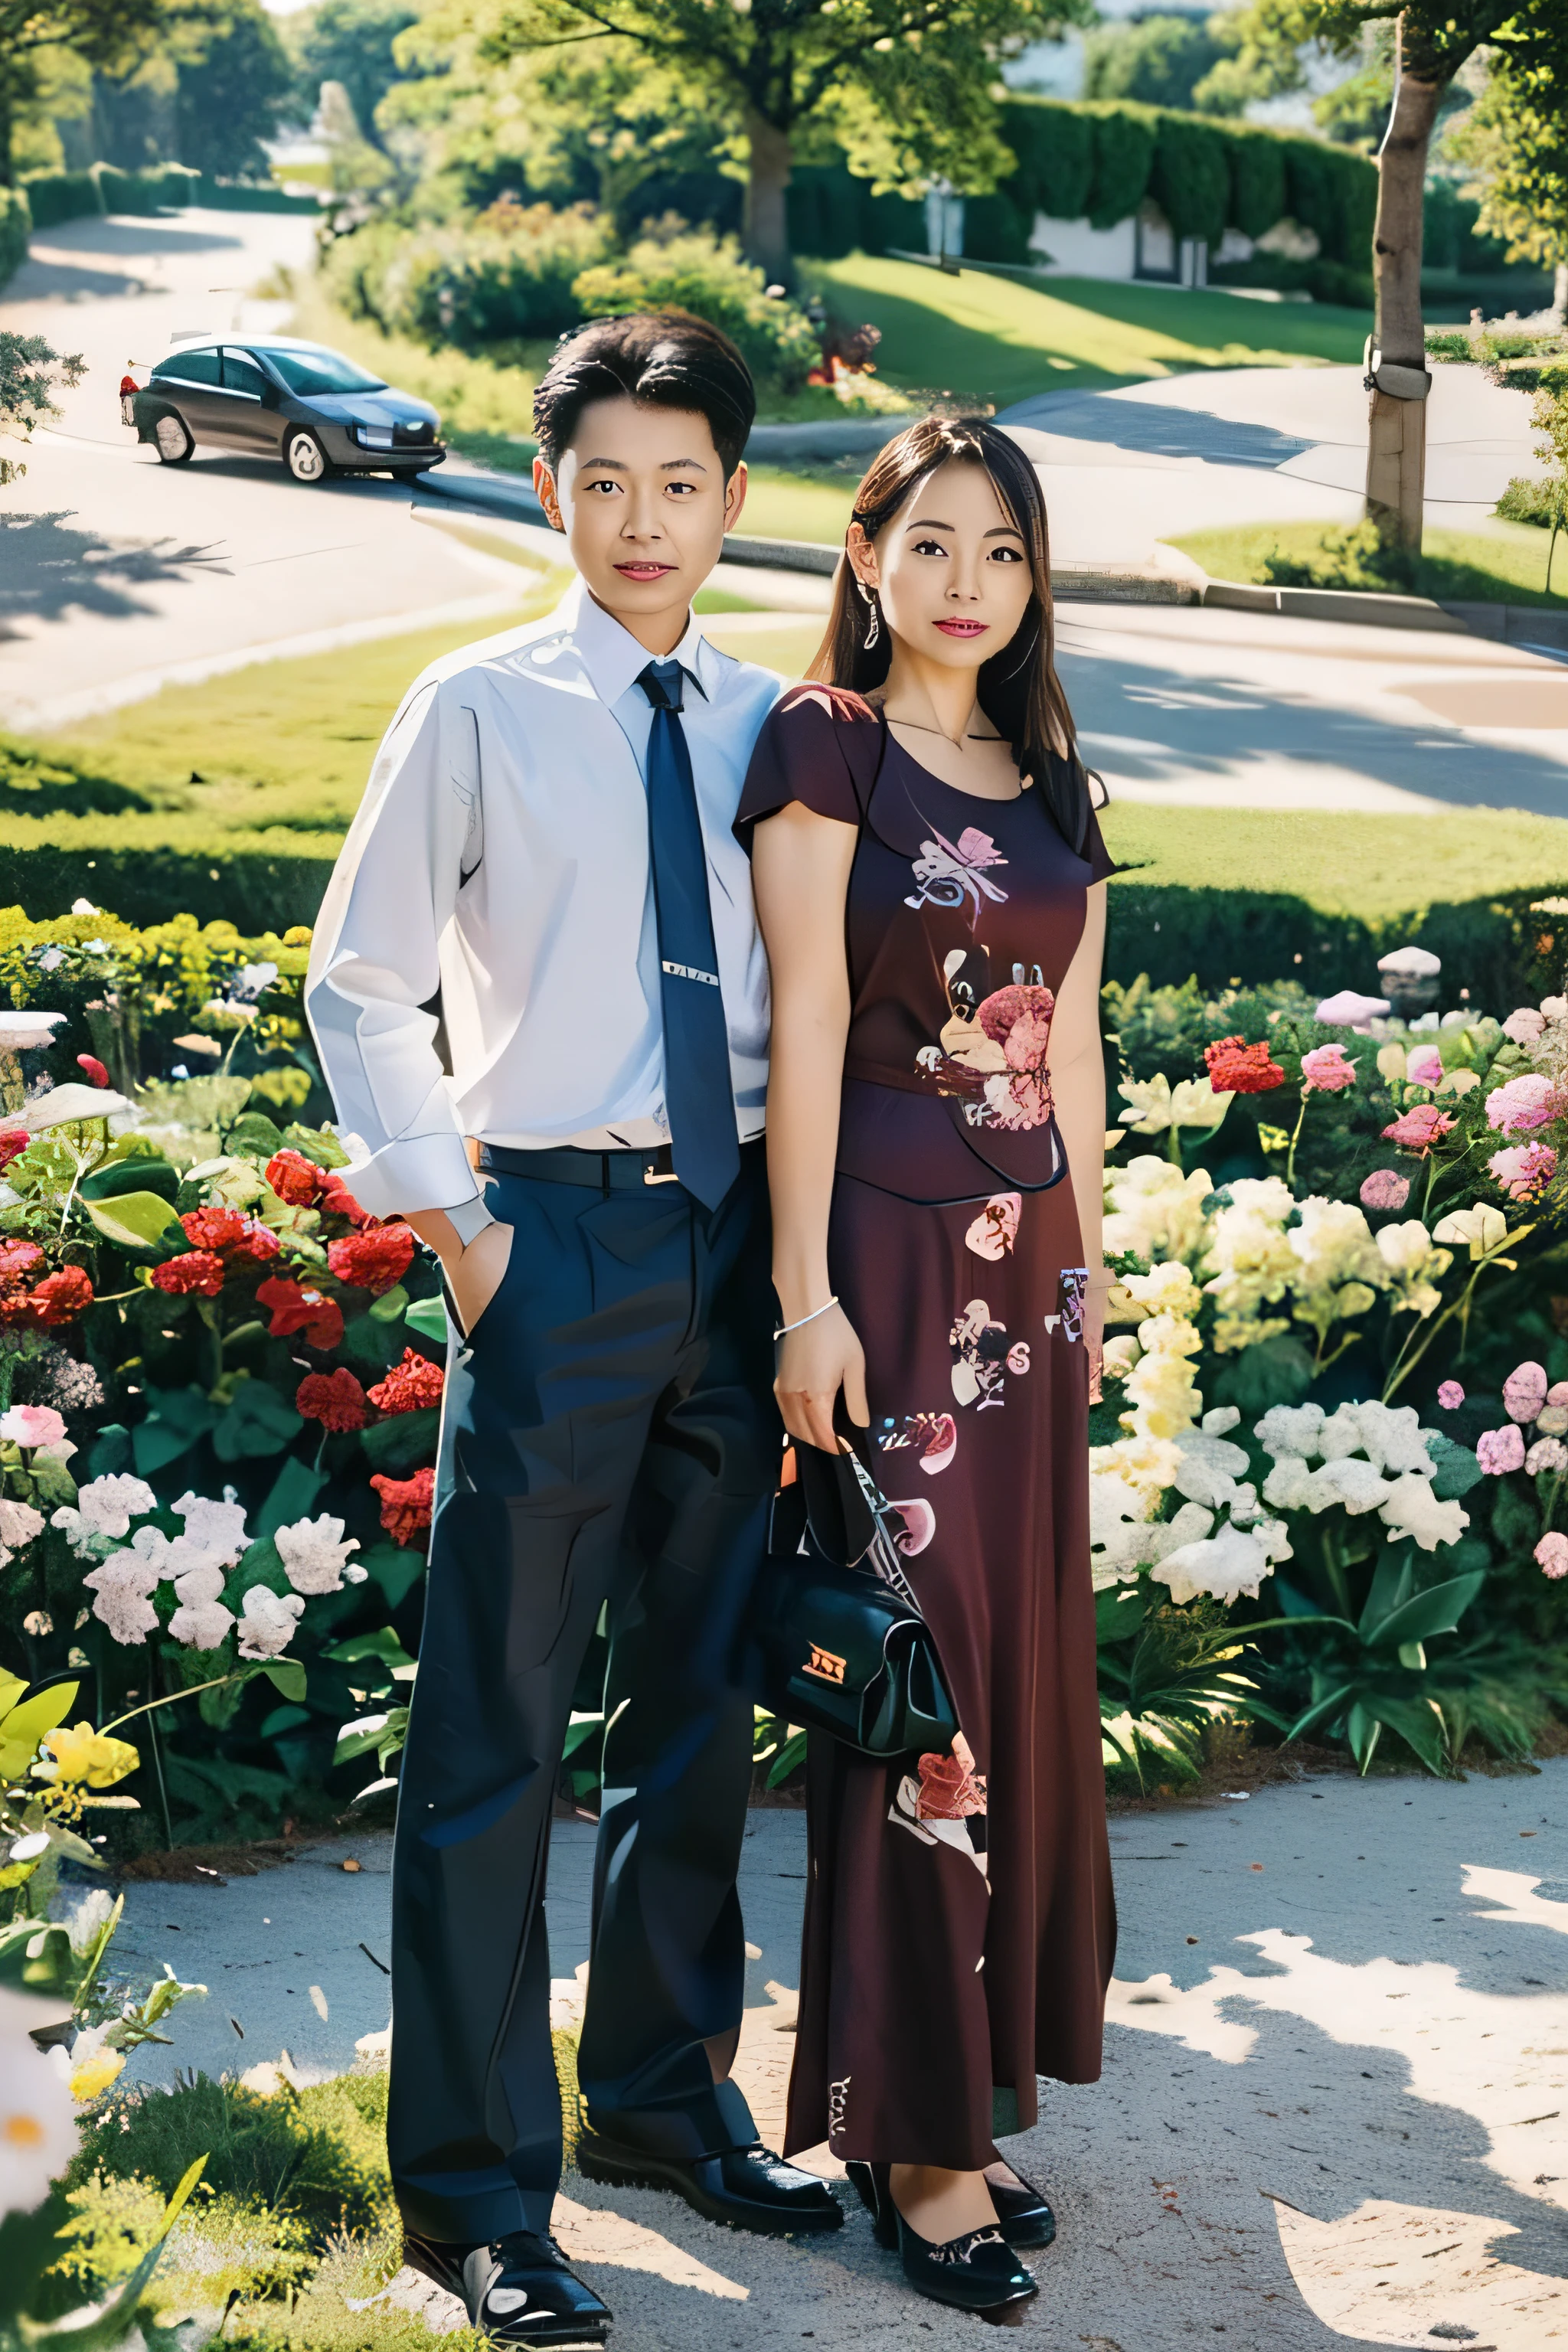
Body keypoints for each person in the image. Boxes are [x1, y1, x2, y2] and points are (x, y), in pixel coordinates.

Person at [305, 310, 842, 2351]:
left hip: (731, 1256)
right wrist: (461, 1228)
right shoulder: (481, 703)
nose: (642, 518)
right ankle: (470, 2199)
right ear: (552, 489)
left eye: (682, 482)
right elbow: (362, 978)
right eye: (603, 479)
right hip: (552, 1240)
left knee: (699, 1713)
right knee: (495, 1738)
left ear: (731, 499)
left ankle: (655, 2106)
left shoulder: (771, 718)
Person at [736, 414, 1117, 2323]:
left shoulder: (1054, 770)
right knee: (920, 1687)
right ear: (868, 555)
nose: (969, 580)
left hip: (1028, 1284)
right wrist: (801, 1292)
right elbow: (809, 1024)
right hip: (885, 1262)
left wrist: (1100, 1273)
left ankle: (971, 2085)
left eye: (1006, 550)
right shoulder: (826, 748)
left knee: (1018, 1676)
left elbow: (1083, 1044)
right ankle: (913, 2136)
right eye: (934, 542)